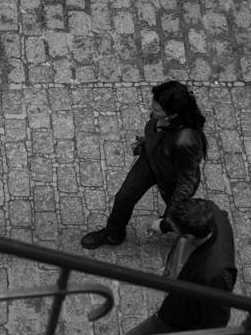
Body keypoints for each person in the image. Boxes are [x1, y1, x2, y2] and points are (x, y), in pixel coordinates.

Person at [64, 198, 237, 335]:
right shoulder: (211, 212)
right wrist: (164, 226)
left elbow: (215, 320)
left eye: (175, 228)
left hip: (183, 309)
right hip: (189, 291)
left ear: (189, 237)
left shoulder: (213, 274)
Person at [81, 80, 208, 249]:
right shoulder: (161, 117)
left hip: (171, 179)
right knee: (124, 198)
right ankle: (113, 234)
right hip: (152, 161)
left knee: (177, 214)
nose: (151, 110)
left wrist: (164, 223)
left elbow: (187, 181)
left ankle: (191, 234)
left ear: (173, 114)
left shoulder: (185, 142)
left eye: (156, 109)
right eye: (153, 105)